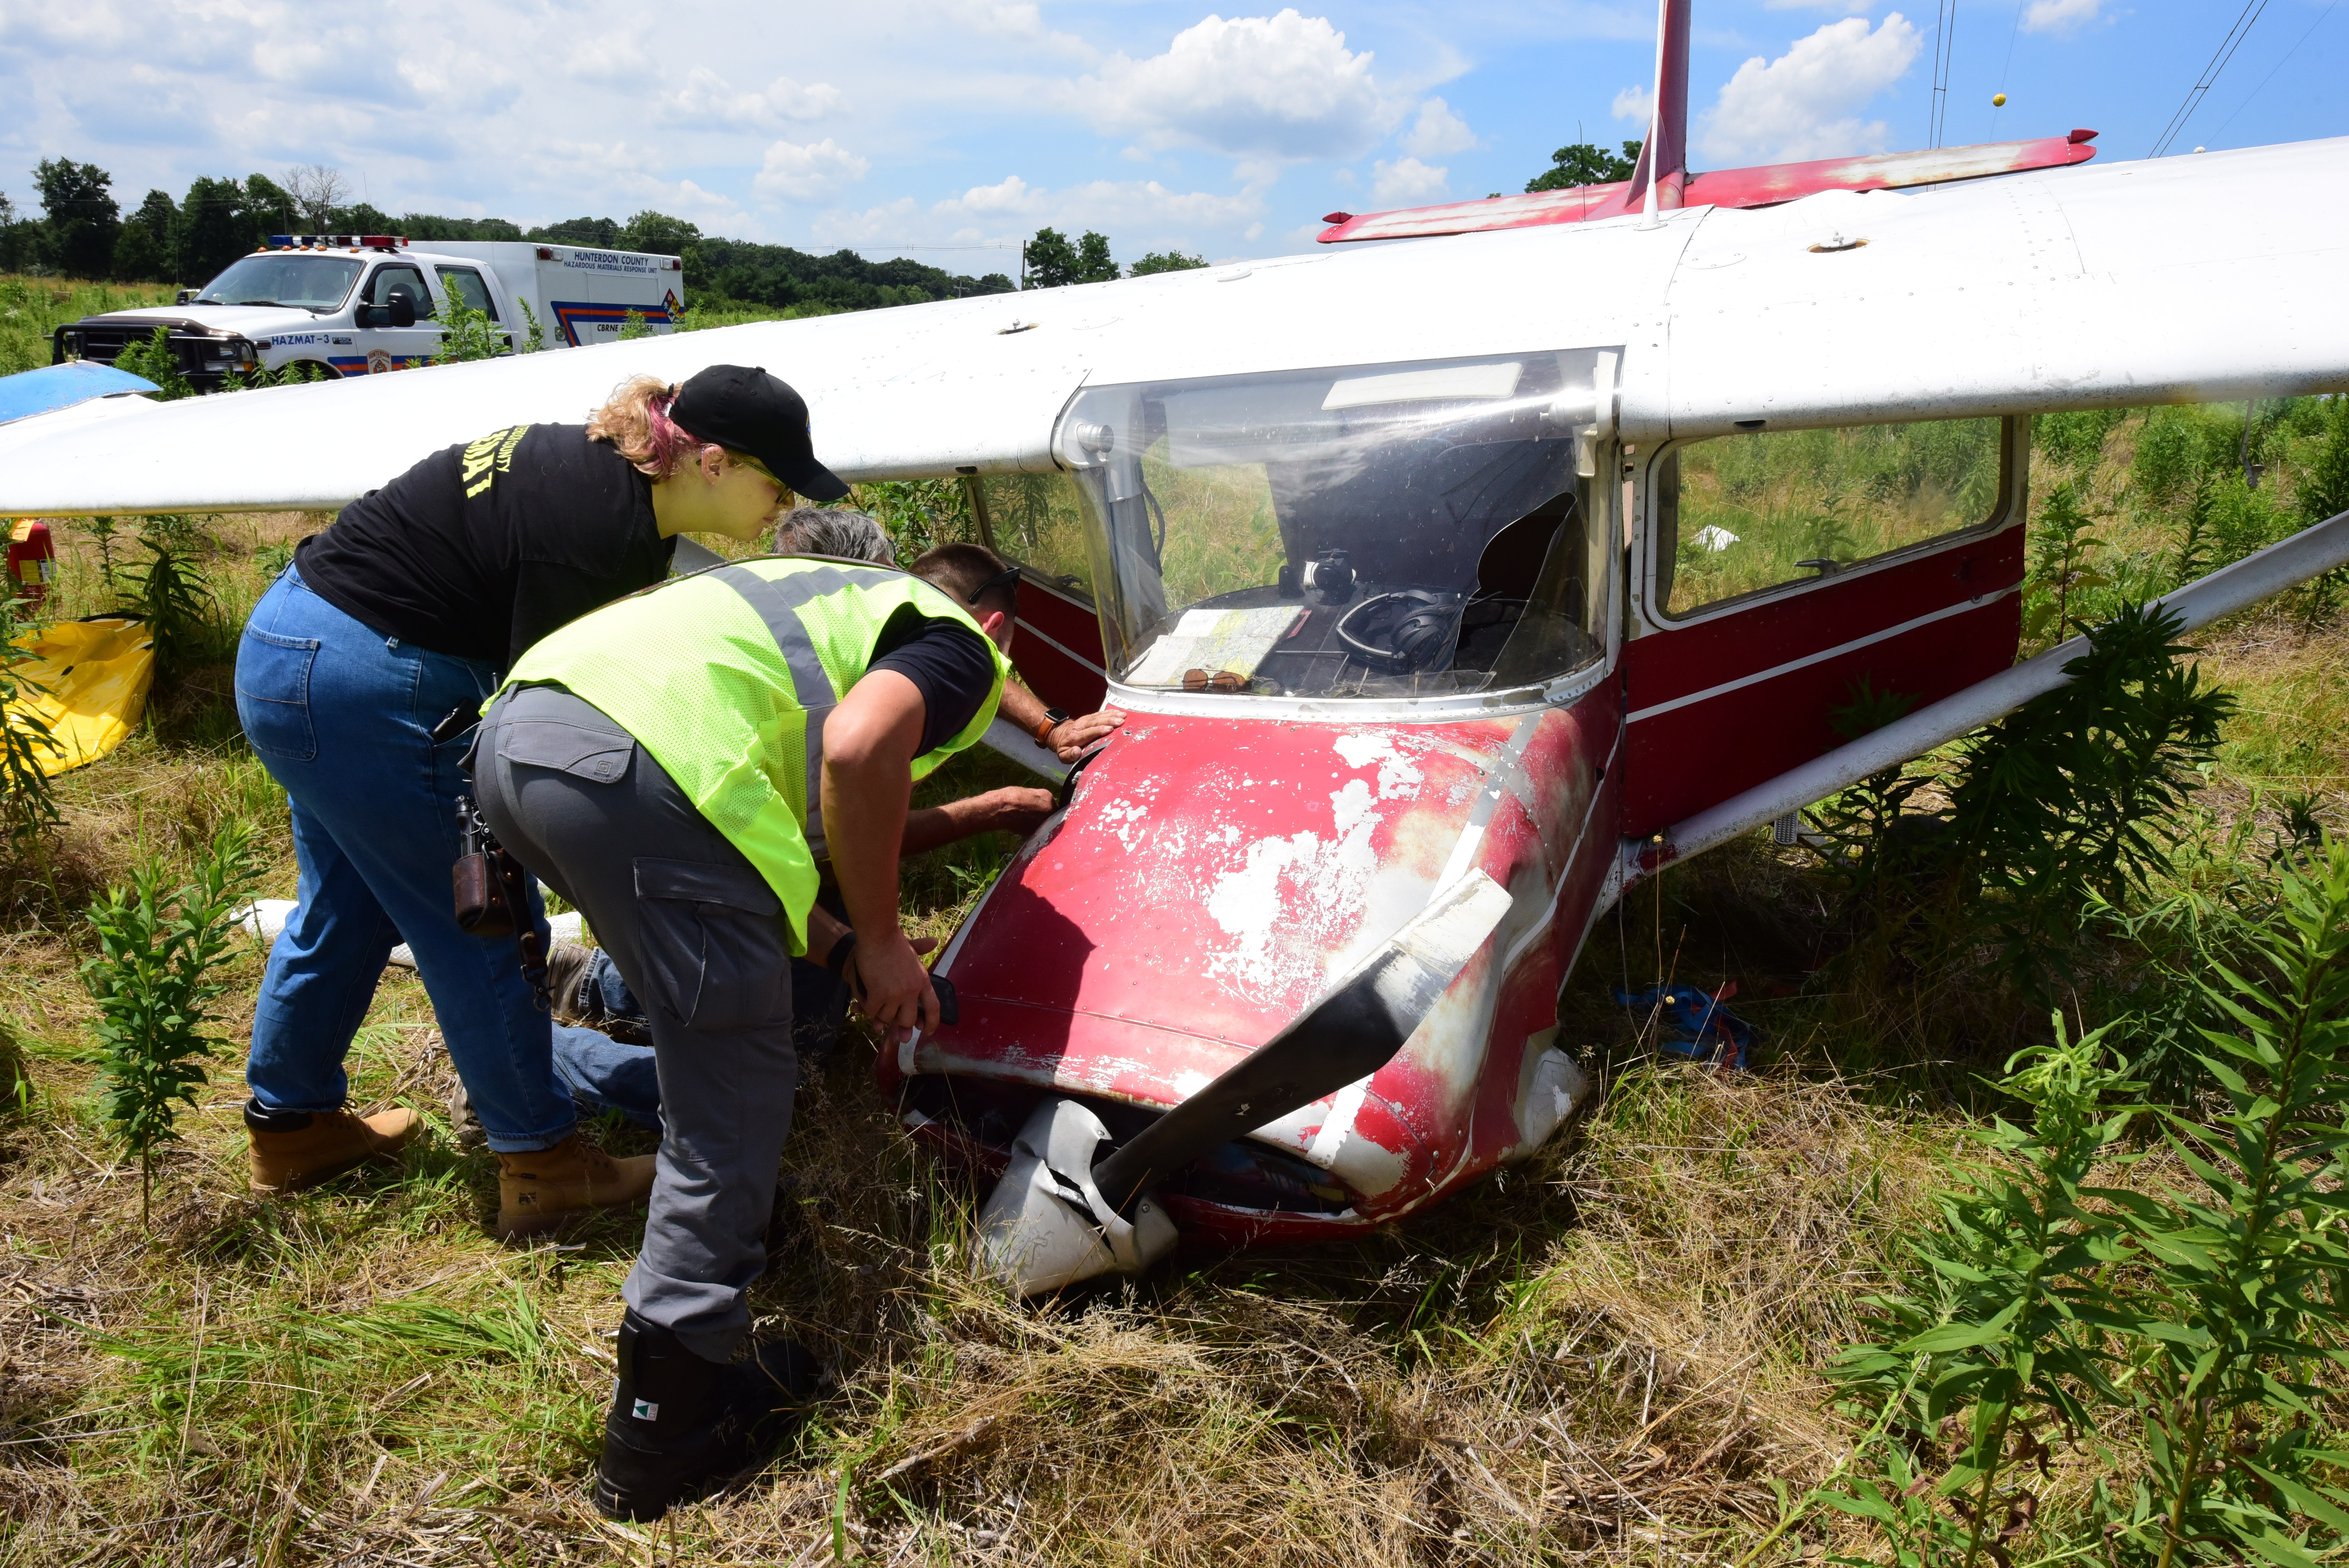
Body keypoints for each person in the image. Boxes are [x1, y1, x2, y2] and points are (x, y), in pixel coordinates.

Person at [469, 540, 1020, 1520]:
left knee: (724, 1025)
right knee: (735, 1088)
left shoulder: (799, 597)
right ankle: (665, 1429)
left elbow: (758, 853)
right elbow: (860, 748)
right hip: (630, 769)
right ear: (997, 629)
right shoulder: (953, 643)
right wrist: (890, 942)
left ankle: (728, 1215)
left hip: (516, 742)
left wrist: (848, 953)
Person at [232, 365, 846, 1242]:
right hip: (369, 684)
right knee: (479, 919)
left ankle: (291, 1127)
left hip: (294, 646)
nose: (782, 506)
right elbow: (541, 720)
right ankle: (543, 1162)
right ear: (711, 462)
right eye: (776, 483)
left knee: (347, 903)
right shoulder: (598, 532)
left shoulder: (602, 476)